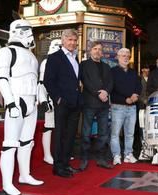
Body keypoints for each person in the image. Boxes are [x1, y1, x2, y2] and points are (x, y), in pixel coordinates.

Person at [0, 19, 43, 195]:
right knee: (10, 144)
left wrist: (40, 98)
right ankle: (7, 183)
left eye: (30, 30)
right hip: (17, 101)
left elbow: (36, 81)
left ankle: (24, 175)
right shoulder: (6, 51)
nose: (29, 33)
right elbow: (2, 79)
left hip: (31, 102)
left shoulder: (31, 55)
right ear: (16, 31)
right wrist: (10, 102)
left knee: (27, 143)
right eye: (25, 30)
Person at [44, 29, 82, 178]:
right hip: (62, 103)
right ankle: (58, 167)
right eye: (70, 40)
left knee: (71, 135)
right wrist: (57, 98)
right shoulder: (54, 57)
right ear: (63, 41)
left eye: (74, 40)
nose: (72, 43)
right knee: (60, 135)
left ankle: (66, 164)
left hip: (75, 103)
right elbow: (48, 80)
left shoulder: (75, 57)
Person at [79, 41, 113, 170]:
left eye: (99, 49)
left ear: (102, 52)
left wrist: (106, 92)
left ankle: (101, 159)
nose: (97, 51)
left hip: (103, 105)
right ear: (90, 51)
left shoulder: (107, 66)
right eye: (95, 49)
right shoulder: (84, 65)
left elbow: (110, 82)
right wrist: (97, 93)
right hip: (89, 103)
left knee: (103, 133)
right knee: (86, 133)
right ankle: (84, 159)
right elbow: (85, 81)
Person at [110, 48, 142, 165]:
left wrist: (135, 94)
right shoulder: (112, 72)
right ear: (117, 57)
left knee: (130, 134)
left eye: (127, 56)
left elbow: (139, 86)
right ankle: (116, 155)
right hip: (118, 107)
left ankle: (128, 154)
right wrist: (125, 99)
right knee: (115, 134)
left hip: (132, 107)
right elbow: (113, 89)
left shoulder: (133, 72)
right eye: (123, 55)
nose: (126, 58)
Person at [38, 39, 62, 165]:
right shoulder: (46, 62)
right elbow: (42, 84)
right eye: (57, 46)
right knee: (48, 127)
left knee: (60, 127)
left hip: (61, 99)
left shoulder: (63, 61)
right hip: (51, 99)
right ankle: (47, 155)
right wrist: (44, 100)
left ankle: (61, 154)